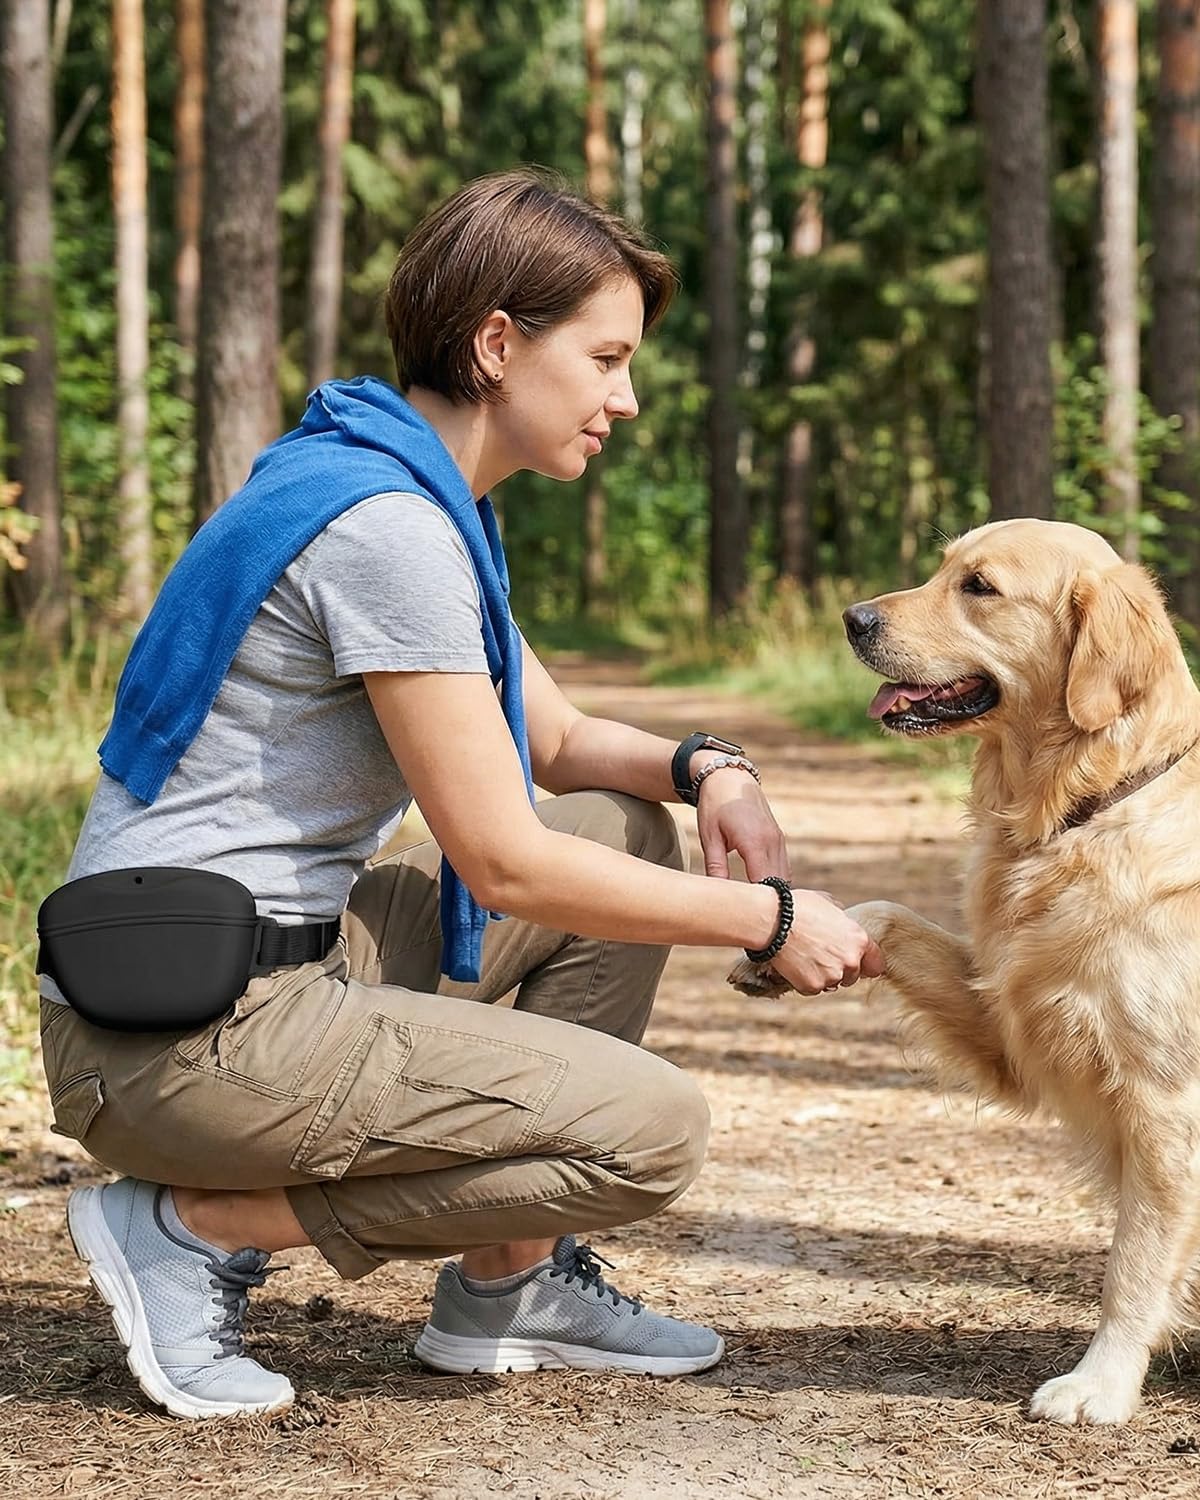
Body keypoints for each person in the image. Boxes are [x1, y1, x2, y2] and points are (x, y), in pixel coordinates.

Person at [39, 169, 882, 1421]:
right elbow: (506, 866)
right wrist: (769, 918)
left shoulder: (413, 496)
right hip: (182, 1037)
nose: (626, 397)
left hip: (235, 976)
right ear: (499, 343)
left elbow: (558, 741)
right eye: (604, 359)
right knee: (648, 1134)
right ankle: (196, 1227)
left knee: (620, 823)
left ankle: (509, 1286)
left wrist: (714, 767)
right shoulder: (389, 529)